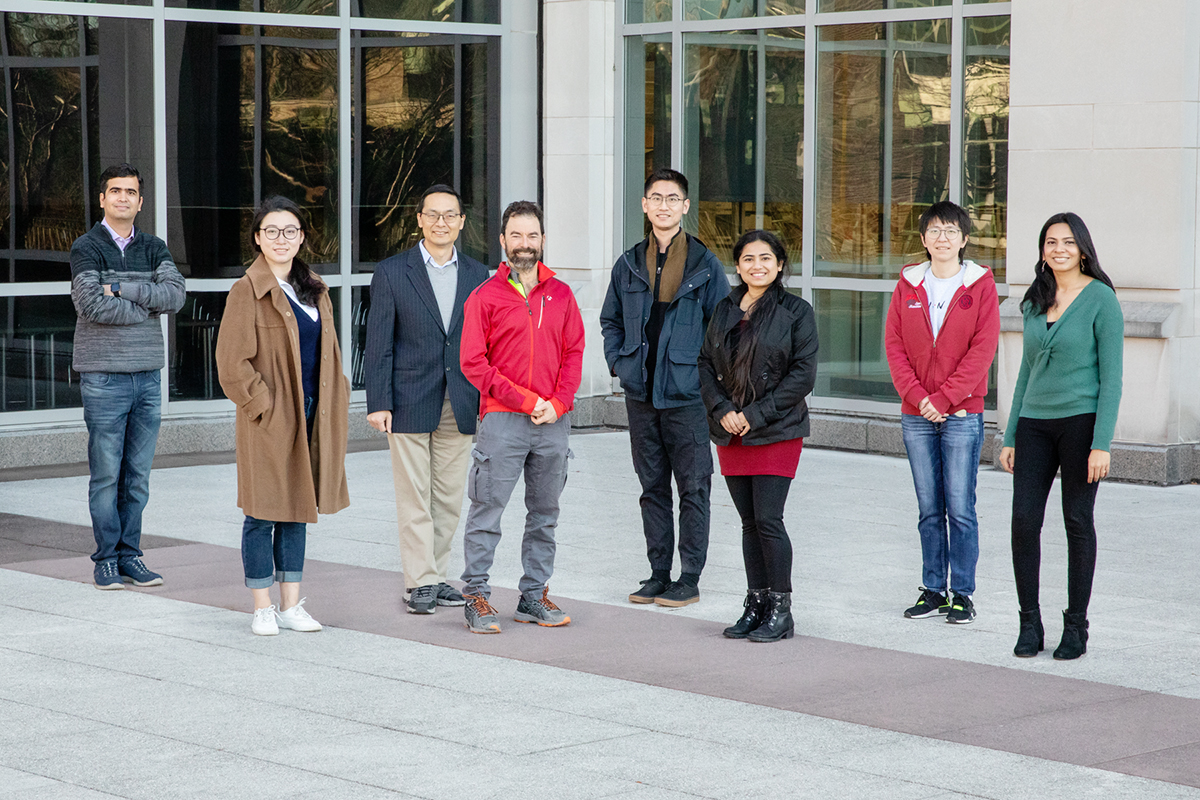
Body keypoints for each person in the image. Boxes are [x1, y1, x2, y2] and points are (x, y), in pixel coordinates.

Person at [216, 196, 351, 636]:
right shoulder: (246, 291)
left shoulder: (314, 288)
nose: (281, 239)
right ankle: (262, 607)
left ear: (302, 237)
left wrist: (338, 393)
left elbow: (328, 350)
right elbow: (231, 364)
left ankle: (291, 605)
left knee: (297, 509)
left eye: (290, 231)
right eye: (271, 231)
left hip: (314, 412)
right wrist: (264, 407)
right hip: (271, 418)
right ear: (257, 238)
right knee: (262, 511)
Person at [600, 168, 730, 608]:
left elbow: (722, 330)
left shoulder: (704, 264)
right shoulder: (628, 263)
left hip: (686, 396)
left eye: (672, 199)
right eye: (656, 198)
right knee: (652, 486)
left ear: (685, 207)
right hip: (641, 393)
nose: (664, 206)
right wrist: (619, 364)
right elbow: (610, 320)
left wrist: (704, 380)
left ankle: (689, 577)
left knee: (693, 487)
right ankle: (658, 573)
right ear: (644, 205)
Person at [998, 212, 1123, 661]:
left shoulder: (1101, 299)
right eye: (1051, 242)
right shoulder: (1035, 299)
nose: (1059, 249)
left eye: (1068, 242)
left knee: (1077, 521)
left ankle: (1076, 626)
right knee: (1023, 522)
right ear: (1042, 250)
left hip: (1080, 424)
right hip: (1034, 424)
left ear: (1083, 249)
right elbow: (1026, 372)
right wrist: (1011, 434)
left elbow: (1112, 378)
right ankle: (1029, 623)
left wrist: (1101, 443)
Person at [457, 200, 585, 634]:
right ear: (503, 240)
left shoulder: (561, 295)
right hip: (503, 422)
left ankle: (533, 596)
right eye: (516, 235)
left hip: (553, 422)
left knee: (545, 515)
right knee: (486, 513)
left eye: (532, 235)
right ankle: (476, 597)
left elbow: (574, 353)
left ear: (543, 240)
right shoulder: (484, 296)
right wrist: (526, 400)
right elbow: (473, 363)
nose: (524, 243)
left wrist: (559, 404)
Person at [364, 184, 489, 615]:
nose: (441, 222)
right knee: (415, 497)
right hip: (407, 398)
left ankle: (435, 577)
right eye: (432, 214)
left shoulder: (478, 274)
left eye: (450, 215)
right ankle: (419, 582)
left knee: (449, 498)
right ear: (419, 220)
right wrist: (378, 401)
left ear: (461, 222)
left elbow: (484, 342)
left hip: (461, 399)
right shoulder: (392, 272)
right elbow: (378, 344)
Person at [70, 163, 186, 590]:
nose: (123, 197)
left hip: (148, 378)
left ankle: (130, 556)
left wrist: (121, 288)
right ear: (102, 199)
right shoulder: (86, 247)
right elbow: (90, 305)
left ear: (140, 201)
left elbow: (175, 295)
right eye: (115, 191)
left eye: (131, 192)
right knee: (106, 476)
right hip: (104, 378)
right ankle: (105, 559)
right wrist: (146, 308)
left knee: (137, 478)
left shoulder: (154, 247)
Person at [698, 230, 817, 643]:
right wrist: (722, 410)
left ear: (780, 264)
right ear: (738, 265)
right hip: (731, 432)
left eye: (766, 258)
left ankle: (781, 611)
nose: (757, 266)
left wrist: (753, 415)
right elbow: (704, 363)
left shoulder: (796, 311)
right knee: (749, 523)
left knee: (768, 520)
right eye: (748, 259)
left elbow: (802, 375)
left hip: (776, 429)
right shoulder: (725, 308)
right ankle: (756, 604)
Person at [885, 201, 1000, 625]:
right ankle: (933, 589)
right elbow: (894, 346)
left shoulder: (980, 285)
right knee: (929, 509)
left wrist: (945, 399)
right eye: (934, 231)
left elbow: (982, 350)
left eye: (951, 231)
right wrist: (919, 398)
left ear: (964, 239)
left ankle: (962, 594)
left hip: (961, 414)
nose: (943, 238)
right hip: (916, 414)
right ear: (923, 239)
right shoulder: (909, 284)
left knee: (960, 508)